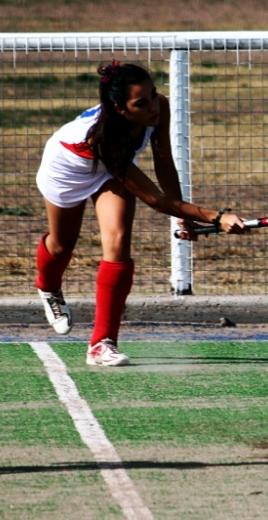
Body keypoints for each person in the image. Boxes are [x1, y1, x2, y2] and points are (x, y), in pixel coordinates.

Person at [34, 60, 246, 366]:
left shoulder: (159, 107)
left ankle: (102, 344)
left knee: (118, 242)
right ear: (121, 108)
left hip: (111, 172)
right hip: (67, 170)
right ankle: (48, 287)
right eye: (140, 103)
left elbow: (163, 163)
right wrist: (216, 216)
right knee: (62, 245)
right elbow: (155, 200)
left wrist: (183, 214)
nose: (152, 107)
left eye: (153, 94)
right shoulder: (102, 137)